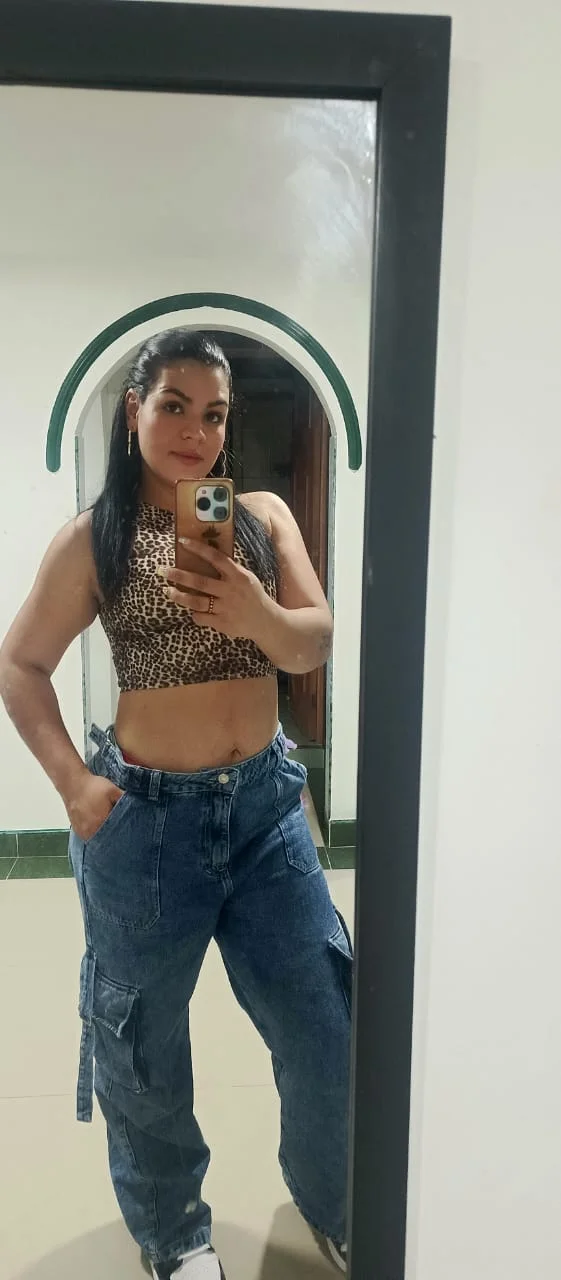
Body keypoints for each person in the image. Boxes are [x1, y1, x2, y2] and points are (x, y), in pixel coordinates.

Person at [0, 330, 351, 1279]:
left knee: (325, 1021)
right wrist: (73, 783)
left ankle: (334, 1202)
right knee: (142, 1048)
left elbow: (312, 642)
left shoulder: (263, 517)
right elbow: (20, 663)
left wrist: (255, 613)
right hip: (148, 824)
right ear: (134, 410)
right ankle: (174, 1234)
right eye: (174, 406)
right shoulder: (96, 538)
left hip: (268, 813)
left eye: (215, 413)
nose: (197, 430)